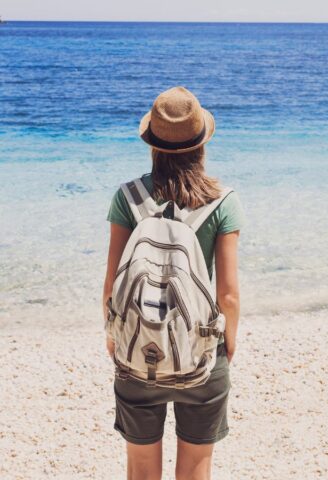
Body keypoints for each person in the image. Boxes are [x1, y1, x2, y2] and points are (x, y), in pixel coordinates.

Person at [103, 86, 245, 480]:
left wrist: (113, 335)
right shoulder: (223, 201)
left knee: (141, 472)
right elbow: (228, 295)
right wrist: (226, 344)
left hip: (138, 351)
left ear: (153, 143)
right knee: (196, 471)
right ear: (201, 144)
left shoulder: (128, 197)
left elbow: (112, 285)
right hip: (201, 352)